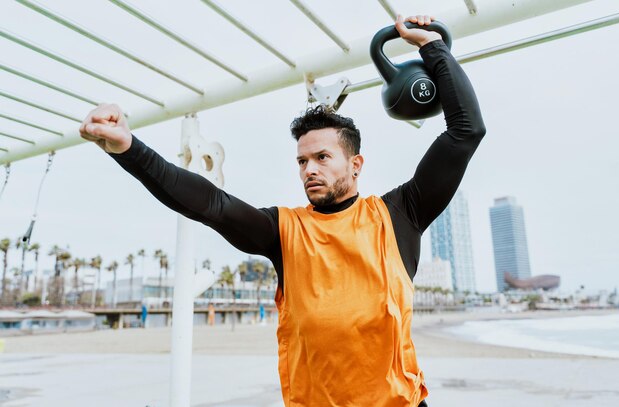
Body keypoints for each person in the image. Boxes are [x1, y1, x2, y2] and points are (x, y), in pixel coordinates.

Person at [80, 14, 485, 407]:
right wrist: (129, 149)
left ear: (355, 165)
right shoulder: (285, 230)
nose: (310, 169)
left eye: (323, 157)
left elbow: (465, 132)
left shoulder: (399, 215)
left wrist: (433, 49)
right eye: (302, 161)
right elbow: (211, 206)